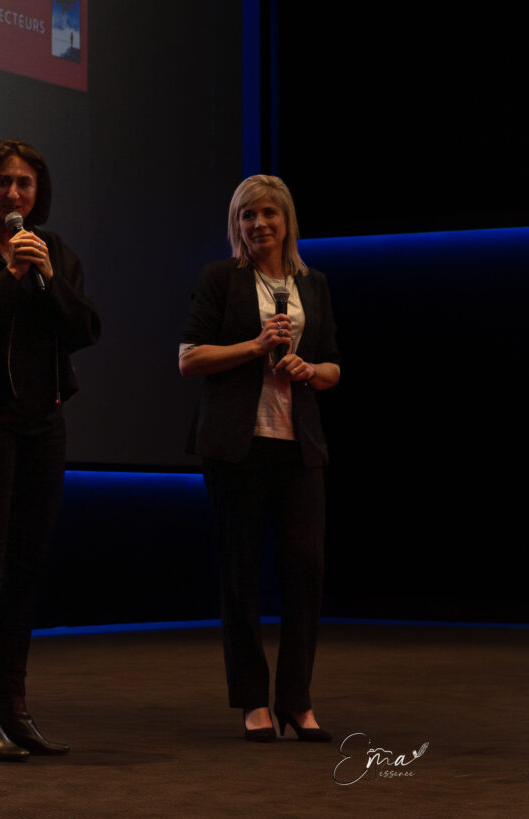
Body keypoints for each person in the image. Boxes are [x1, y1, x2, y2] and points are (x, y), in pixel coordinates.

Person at [0, 139, 101, 761]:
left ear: (38, 194)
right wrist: (10, 279)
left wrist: (48, 279)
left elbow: (85, 329)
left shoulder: (52, 251)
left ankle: (14, 705)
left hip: (42, 422)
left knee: (28, 567)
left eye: (25, 184)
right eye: (4, 182)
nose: (13, 193)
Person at [179, 174, 340, 743]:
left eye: (269, 214)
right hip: (235, 448)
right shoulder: (222, 278)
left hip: (300, 449)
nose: (258, 225)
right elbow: (189, 358)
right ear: (236, 225)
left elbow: (333, 367)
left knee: (306, 571)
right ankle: (253, 700)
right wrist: (255, 347)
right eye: (247, 216)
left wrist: (309, 369)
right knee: (241, 575)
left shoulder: (312, 284)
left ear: (287, 222)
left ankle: (296, 699)